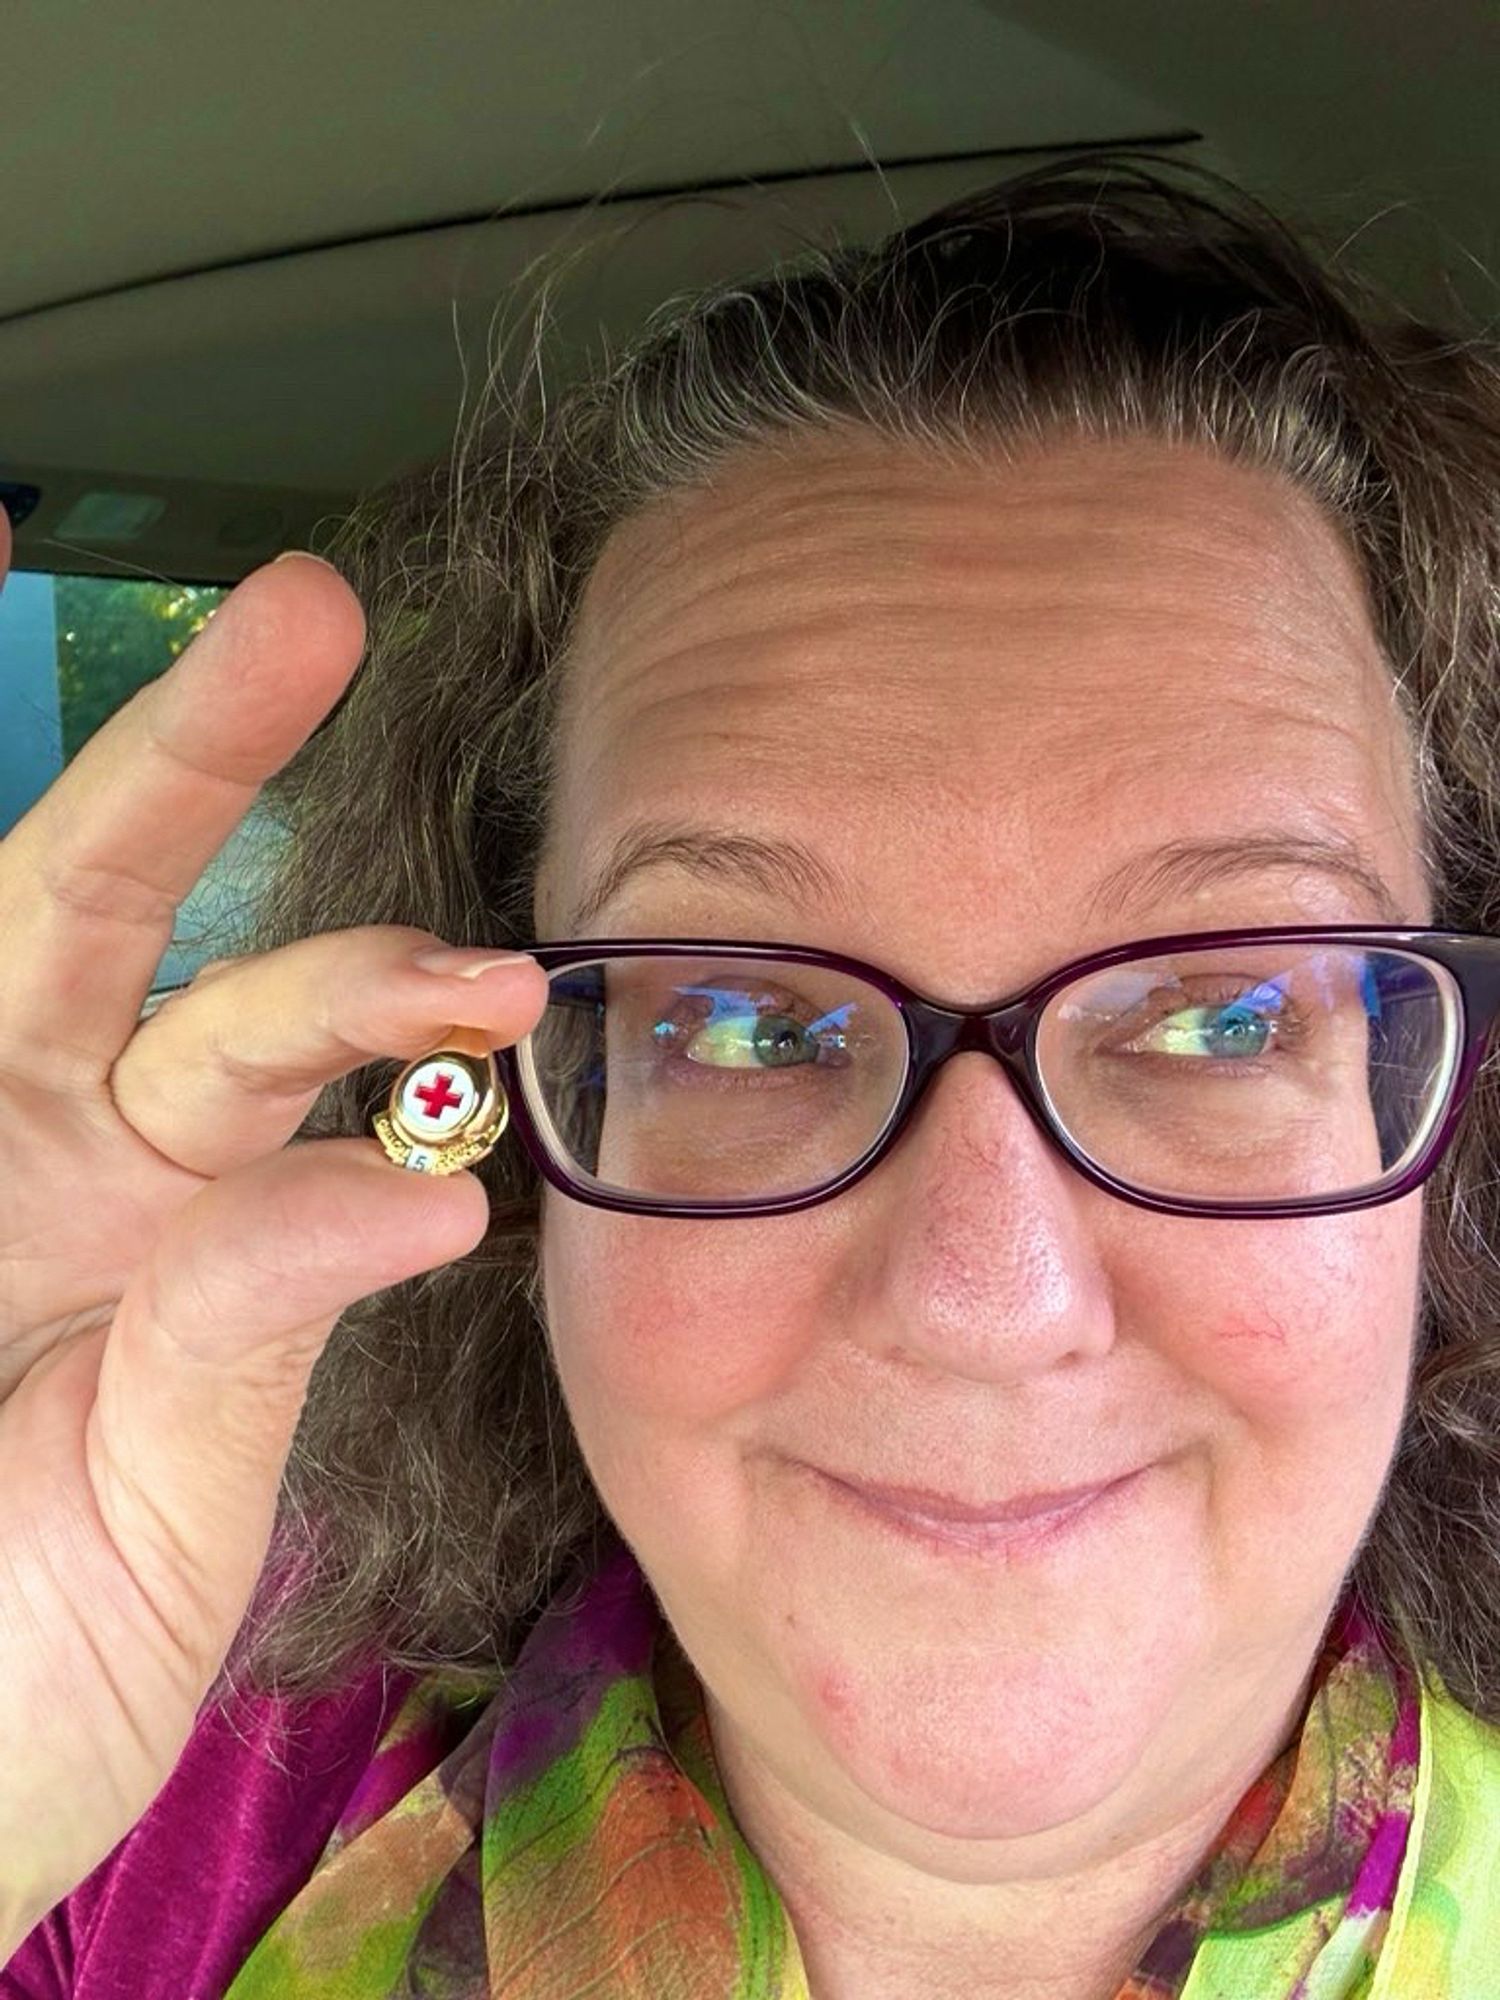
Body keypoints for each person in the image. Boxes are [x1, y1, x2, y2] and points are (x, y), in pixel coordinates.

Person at [3, 151, 1500, 2000]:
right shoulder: (140, 1815)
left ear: (1445, 1133)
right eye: (746, 1023)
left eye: (1226, 1018)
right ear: (518, 1130)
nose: (983, 1299)